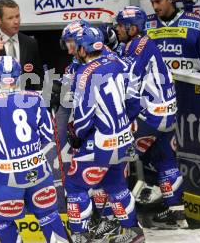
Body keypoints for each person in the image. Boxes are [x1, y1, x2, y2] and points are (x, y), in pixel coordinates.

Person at [0, 55, 68, 243]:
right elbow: (48, 134)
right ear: (19, 75)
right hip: (39, 172)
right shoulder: (36, 98)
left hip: (8, 179)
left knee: (0, 218)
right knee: (49, 216)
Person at [65, 26, 144, 243]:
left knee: (75, 185)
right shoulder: (118, 62)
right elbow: (135, 100)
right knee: (116, 185)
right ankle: (133, 234)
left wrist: (77, 134)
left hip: (101, 142)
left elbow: (83, 115)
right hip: (124, 138)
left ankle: (80, 236)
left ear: (83, 48)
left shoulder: (83, 73)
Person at [114, 6, 188, 229]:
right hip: (167, 112)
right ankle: (177, 215)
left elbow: (130, 89)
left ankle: (121, 219)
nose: (116, 28)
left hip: (151, 115)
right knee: (165, 158)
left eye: (119, 25)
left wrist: (124, 120)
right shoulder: (141, 43)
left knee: (118, 158)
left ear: (132, 27)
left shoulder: (137, 47)